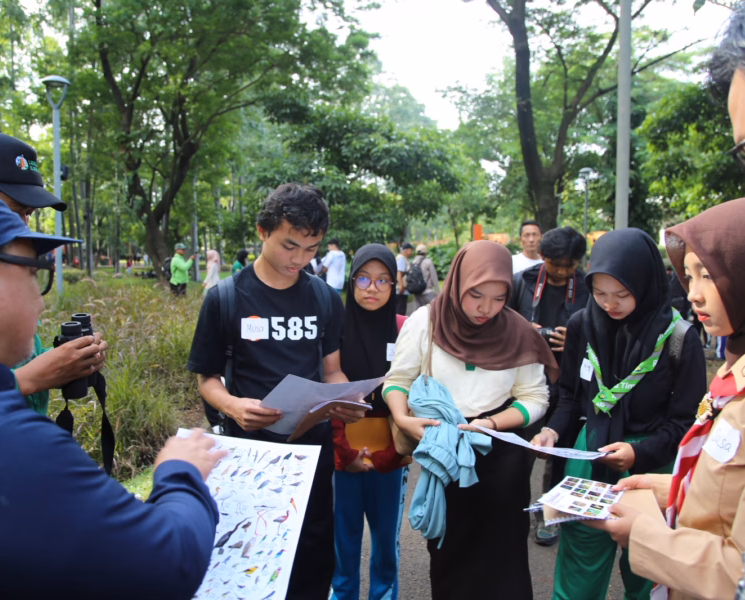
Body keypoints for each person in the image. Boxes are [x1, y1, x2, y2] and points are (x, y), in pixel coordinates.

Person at [0, 176, 225, 599]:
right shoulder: (3, 445)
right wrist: (180, 471)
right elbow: (165, 564)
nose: (42, 301)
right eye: (36, 273)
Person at [187, 183, 367, 599]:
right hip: (250, 454)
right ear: (262, 231)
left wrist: (347, 399)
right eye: (290, 246)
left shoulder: (324, 298)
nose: (300, 260)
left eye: (311, 249)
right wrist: (233, 407)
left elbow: (332, 371)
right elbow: (207, 379)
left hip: (311, 455)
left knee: (311, 561)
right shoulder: (225, 299)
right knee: (249, 562)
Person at [531, 229, 706, 600]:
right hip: (589, 457)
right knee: (578, 570)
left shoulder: (678, 338)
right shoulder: (582, 324)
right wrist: (551, 434)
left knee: (646, 576)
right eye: (599, 293)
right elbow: (570, 398)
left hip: (651, 469)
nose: (610, 304)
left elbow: (686, 423)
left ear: (645, 284)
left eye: (622, 294)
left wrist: (637, 452)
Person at [384, 240, 558, 600]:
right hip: (445, 452)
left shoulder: (518, 330)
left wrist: (492, 424)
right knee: (450, 553)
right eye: (476, 294)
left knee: (503, 556)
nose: (486, 308)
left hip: (501, 456)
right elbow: (397, 380)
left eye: (498, 298)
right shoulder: (425, 322)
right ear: (458, 282)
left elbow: (535, 396)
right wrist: (403, 419)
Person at [591, 198, 745, 600]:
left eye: (708, 275)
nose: (693, 294)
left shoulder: (680, 340)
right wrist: (676, 488)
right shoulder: (732, 373)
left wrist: (644, 537)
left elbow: (739, 572)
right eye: (688, 277)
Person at [0, 129, 107, 417]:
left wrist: (64, 363)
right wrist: (28, 379)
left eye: (28, 215)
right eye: (12, 210)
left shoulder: (6, 284)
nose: (22, 227)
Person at [330, 244, 410, 600]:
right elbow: (324, 390)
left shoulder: (405, 330)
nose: (372, 287)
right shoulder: (335, 329)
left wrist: (394, 453)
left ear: (395, 286)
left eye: (382, 280)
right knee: (341, 542)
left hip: (390, 451)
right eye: (363, 278)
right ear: (351, 281)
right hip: (341, 451)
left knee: (385, 544)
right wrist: (343, 453)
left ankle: (383, 595)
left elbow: (414, 393)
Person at [510, 225, 589, 546]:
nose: (562, 271)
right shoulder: (523, 282)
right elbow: (504, 319)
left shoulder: (587, 286)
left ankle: (549, 515)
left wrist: (577, 336)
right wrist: (524, 328)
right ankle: (514, 512)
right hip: (527, 381)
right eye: (556, 264)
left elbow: (601, 327)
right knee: (519, 452)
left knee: (559, 452)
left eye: (570, 265)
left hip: (569, 383)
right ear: (543, 257)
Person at [409, 244, 439, 311]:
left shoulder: (412, 263)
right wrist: (437, 292)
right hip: (428, 293)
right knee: (432, 313)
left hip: (417, 293)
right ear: (425, 252)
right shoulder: (428, 262)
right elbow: (434, 277)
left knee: (418, 314)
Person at [394, 242, 413, 316]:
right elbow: (399, 273)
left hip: (400, 290)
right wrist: (401, 286)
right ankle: (399, 327)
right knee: (400, 311)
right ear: (406, 250)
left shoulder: (401, 258)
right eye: (410, 250)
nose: (411, 252)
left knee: (399, 310)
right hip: (400, 290)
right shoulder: (401, 259)